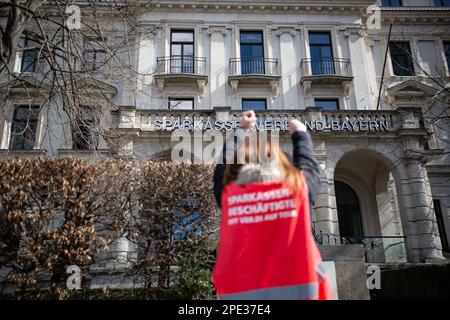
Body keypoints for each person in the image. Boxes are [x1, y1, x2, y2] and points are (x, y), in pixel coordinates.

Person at [211, 110, 333, 300]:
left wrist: (240, 130)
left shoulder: (229, 197)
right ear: (279, 163)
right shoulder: (297, 191)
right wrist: (300, 134)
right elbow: (309, 168)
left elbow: (222, 170)